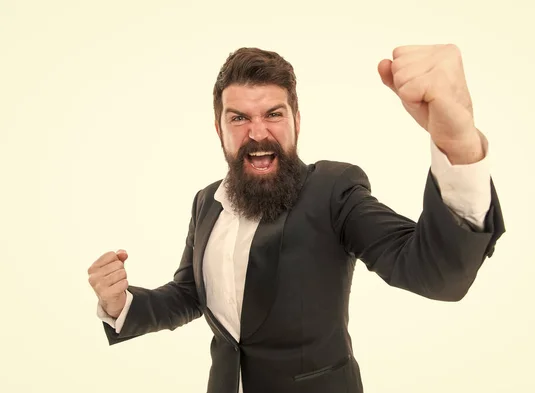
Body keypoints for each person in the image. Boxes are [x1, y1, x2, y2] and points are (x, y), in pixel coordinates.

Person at [87, 44, 505, 393]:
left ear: (296, 121)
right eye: (239, 118)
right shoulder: (206, 203)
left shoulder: (334, 191)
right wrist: (122, 304)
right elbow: (191, 294)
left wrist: (457, 145)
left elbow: (431, 271)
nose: (257, 132)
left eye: (273, 114)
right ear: (219, 129)